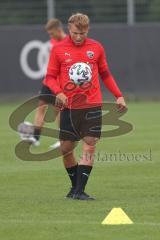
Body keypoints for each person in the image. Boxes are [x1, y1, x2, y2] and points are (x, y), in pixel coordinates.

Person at [43, 13, 127, 200]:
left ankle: (80, 191)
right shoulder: (58, 49)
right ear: (69, 29)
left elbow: (105, 74)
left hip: (92, 104)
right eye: (74, 33)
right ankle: (75, 189)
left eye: (82, 33)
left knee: (89, 145)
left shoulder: (96, 47)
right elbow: (49, 77)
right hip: (69, 106)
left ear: (87, 30)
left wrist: (118, 96)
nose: (78, 37)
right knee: (66, 149)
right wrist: (59, 92)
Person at [30, 18, 67, 147]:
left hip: (60, 83)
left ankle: (62, 139)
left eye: (52, 33)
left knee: (58, 111)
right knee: (41, 108)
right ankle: (35, 138)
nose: (51, 36)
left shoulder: (68, 43)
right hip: (48, 81)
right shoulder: (53, 42)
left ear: (59, 30)